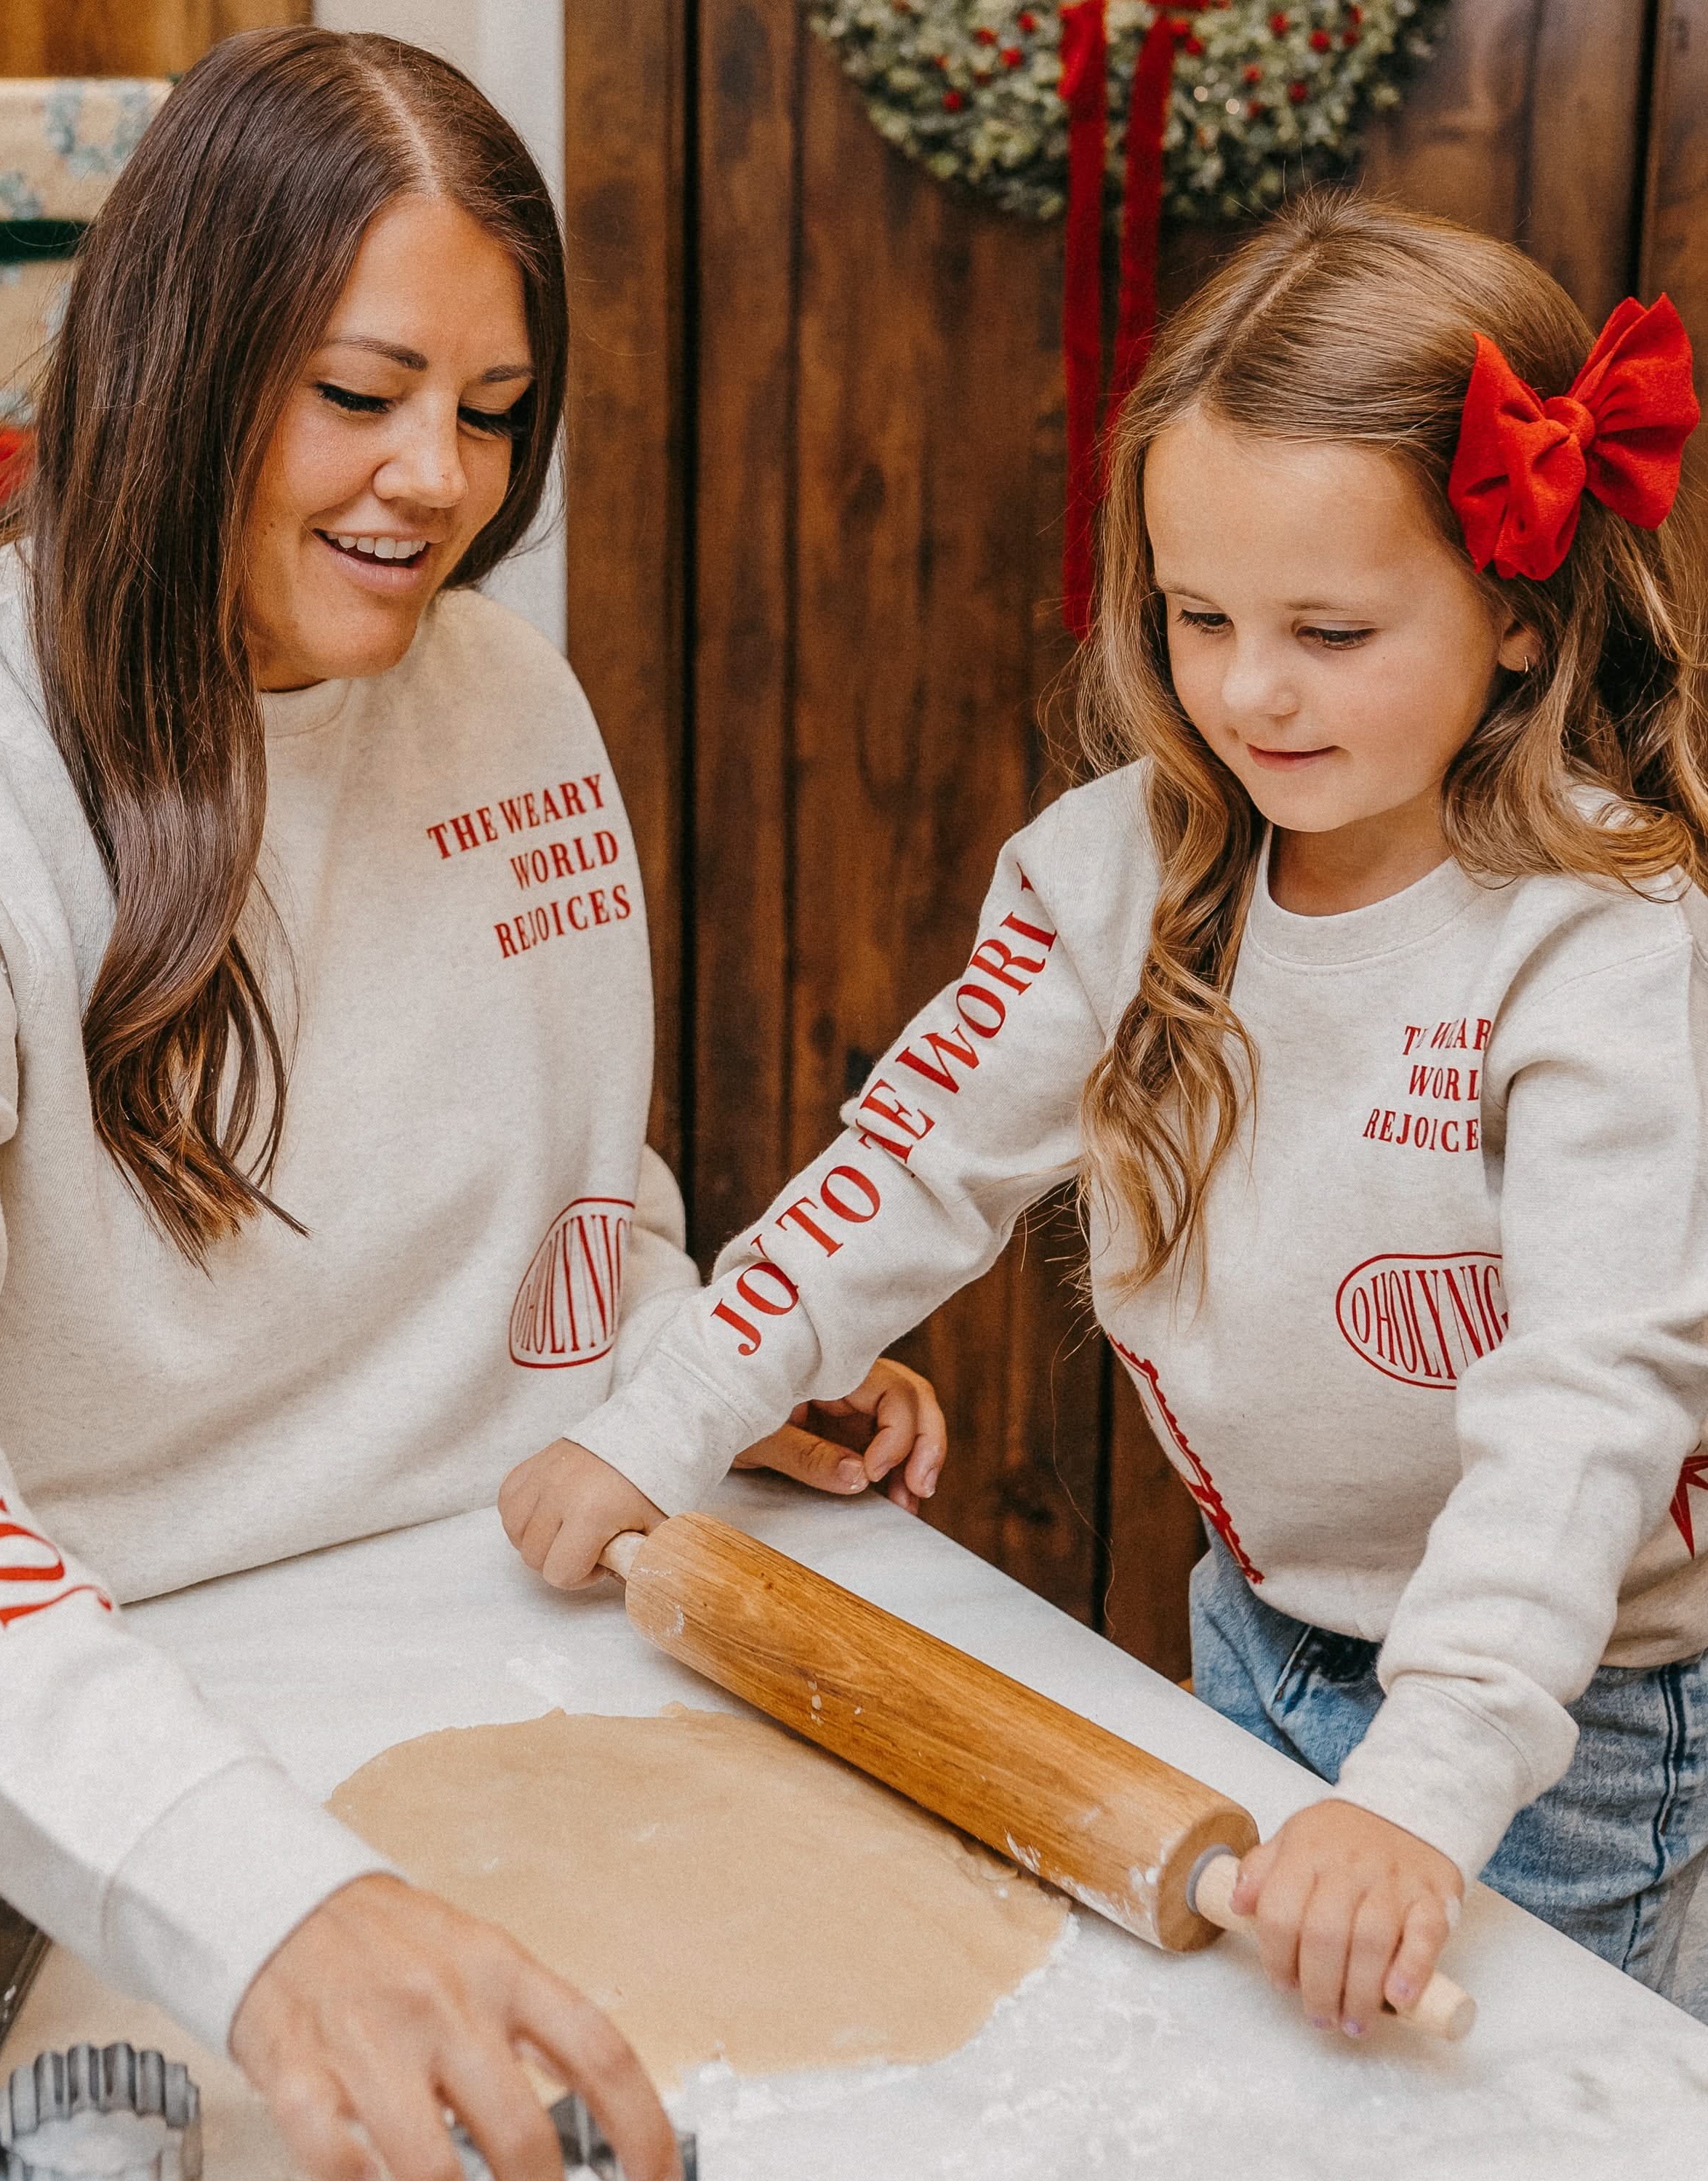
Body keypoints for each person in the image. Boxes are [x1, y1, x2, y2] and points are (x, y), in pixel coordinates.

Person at [0, 29, 943, 2181]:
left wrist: (681, 1361)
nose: (437, 478)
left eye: (493, 412)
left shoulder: (509, 694)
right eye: (359, 394)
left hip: (438, 1667)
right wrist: (258, 1891)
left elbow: (554, 1169)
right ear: (181, 363)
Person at [503, 193, 1708, 2038]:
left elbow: (1585, 1417)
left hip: (1563, 1715)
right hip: (1258, 1622)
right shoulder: (1111, 875)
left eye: (1330, 628)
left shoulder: (1604, 947)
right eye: (1199, 614)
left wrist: (1423, 1792)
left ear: (1523, 621)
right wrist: (659, 1425)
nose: (1243, 690)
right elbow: (902, 1168)